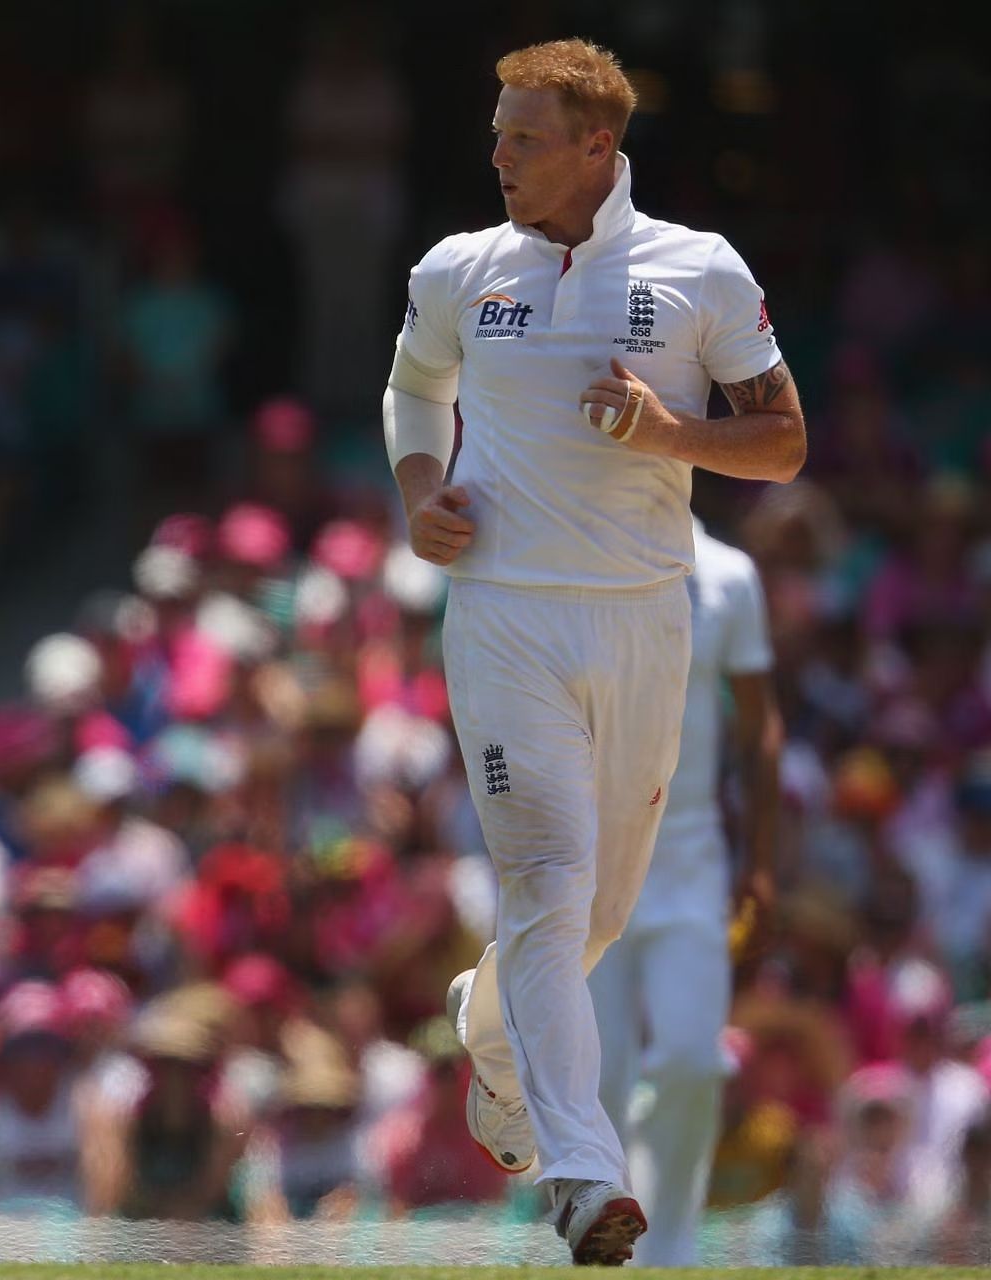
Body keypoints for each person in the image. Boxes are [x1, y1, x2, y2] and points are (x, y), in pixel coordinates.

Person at [381, 38, 805, 1264]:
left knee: (593, 915)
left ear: (595, 147)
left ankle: (488, 1022)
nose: (499, 154)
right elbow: (415, 391)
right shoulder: (461, 270)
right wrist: (421, 492)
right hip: (505, 612)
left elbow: (781, 442)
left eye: (523, 136)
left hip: (643, 616)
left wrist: (669, 427)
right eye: (498, 131)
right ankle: (582, 1173)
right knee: (550, 890)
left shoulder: (698, 270)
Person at [588, 518, 782, 1264]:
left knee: (694, 1064)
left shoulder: (731, 575)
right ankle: (605, 1249)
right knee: (597, 1079)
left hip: (693, 860)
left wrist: (760, 865)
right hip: (596, 865)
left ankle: (668, 1251)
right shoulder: (583, 548)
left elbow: (761, 729)